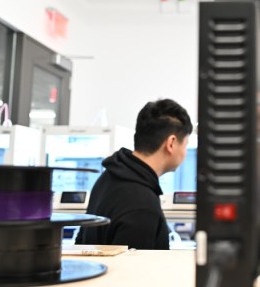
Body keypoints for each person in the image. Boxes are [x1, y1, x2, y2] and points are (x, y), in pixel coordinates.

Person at [76, 99, 193, 249]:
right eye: (185, 145)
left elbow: (81, 242)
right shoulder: (143, 205)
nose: (185, 152)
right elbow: (134, 271)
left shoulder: (108, 177)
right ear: (171, 143)